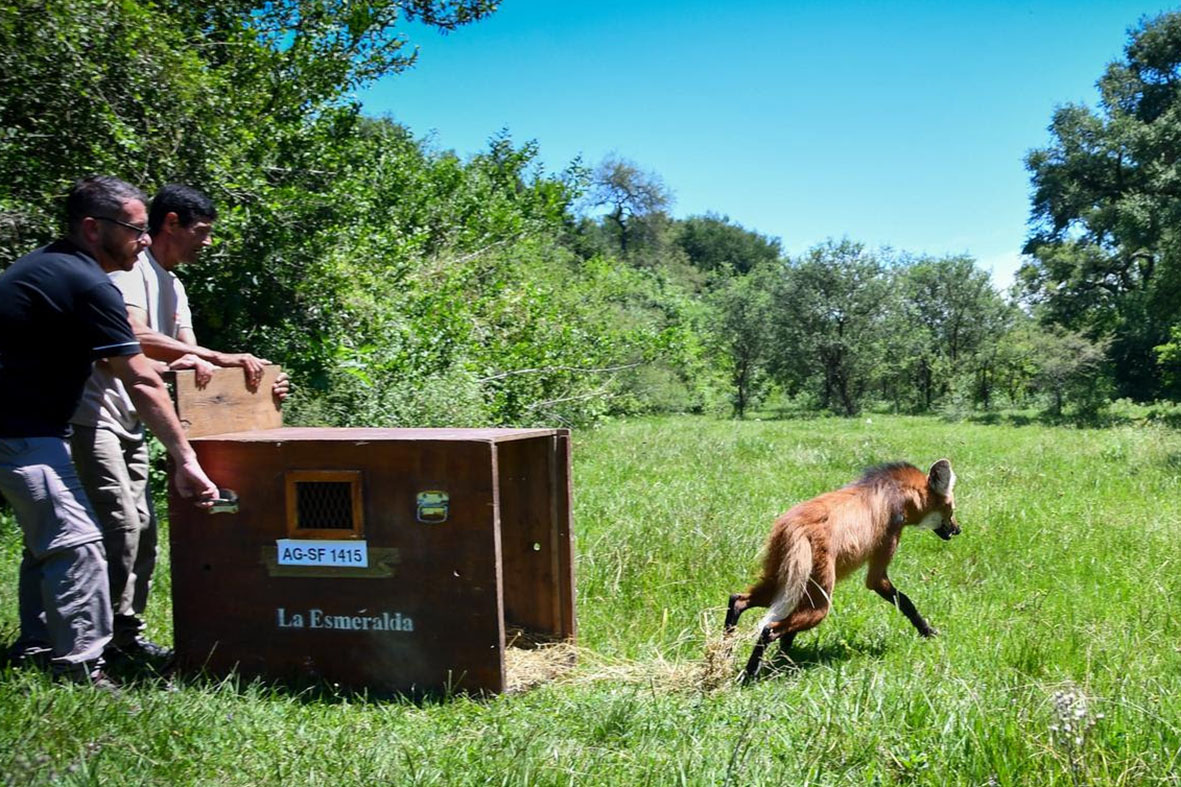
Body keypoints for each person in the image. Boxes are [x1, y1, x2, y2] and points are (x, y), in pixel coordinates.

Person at [0, 176, 218, 686]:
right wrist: (185, 459)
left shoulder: (47, 267)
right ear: (93, 229)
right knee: (79, 545)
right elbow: (139, 376)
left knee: (51, 540)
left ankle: (35, 647)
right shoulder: (87, 282)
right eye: (135, 230)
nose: (144, 242)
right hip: (20, 432)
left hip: (29, 429)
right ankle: (82, 669)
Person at [68, 184, 289, 661]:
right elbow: (132, 336)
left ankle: (126, 636)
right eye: (202, 232)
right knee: (118, 526)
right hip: (94, 414)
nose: (207, 243)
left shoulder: (176, 286)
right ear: (171, 223)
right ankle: (90, 643)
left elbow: (192, 369)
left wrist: (260, 385)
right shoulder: (131, 271)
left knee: (143, 528)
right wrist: (208, 355)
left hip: (133, 420)